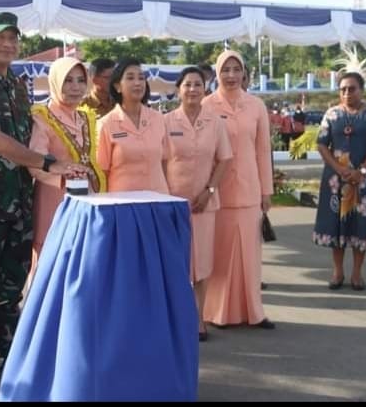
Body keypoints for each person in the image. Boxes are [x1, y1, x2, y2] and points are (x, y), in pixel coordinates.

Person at [0, 12, 77, 401]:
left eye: (13, 38)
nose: (8, 44)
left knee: (8, 291)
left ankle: (8, 360)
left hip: (17, 203)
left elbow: (30, 139)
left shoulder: (18, 86)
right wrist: (50, 164)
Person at [201, 50, 275, 329]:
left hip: (249, 190)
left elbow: (263, 150)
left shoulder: (256, 106)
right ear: (217, 74)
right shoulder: (207, 105)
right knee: (219, 254)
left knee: (249, 255)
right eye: (225, 70)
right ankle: (216, 311)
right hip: (215, 190)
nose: (231, 76)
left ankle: (253, 312)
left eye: (236, 70)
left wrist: (266, 191)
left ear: (244, 73)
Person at [164, 66, 232, 342]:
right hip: (171, 204)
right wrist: (166, 196)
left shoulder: (215, 122)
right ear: (178, 89)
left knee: (201, 264)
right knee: (176, 263)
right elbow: (158, 161)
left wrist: (210, 190)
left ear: (205, 90)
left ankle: (199, 319)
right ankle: (175, 320)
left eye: (198, 85)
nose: (193, 89)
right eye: (187, 84)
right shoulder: (166, 121)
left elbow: (225, 159)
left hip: (205, 204)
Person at [27, 57, 107, 284]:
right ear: (54, 83)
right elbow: (35, 162)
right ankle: (43, 318)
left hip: (87, 199)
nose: (75, 87)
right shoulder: (42, 117)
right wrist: (61, 178)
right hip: (55, 199)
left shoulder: (86, 117)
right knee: (50, 266)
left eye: (81, 81)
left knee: (82, 265)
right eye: (67, 81)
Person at [313, 72, 366, 291]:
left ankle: (356, 273)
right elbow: (322, 144)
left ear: (361, 90)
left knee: (360, 225)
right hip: (336, 180)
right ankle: (337, 272)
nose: (347, 93)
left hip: (363, 181)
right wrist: (339, 169)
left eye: (352, 88)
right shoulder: (332, 114)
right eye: (343, 89)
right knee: (337, 225)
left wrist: (361, 170)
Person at [97, 57, 169, 193]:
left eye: (141, 78)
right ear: (117, 86)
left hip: (157, 200)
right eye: (130, 78)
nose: (137, 83)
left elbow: (164, 162)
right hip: (122, 204)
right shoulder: (105, 124)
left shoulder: (158, 119)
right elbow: (102, 172)